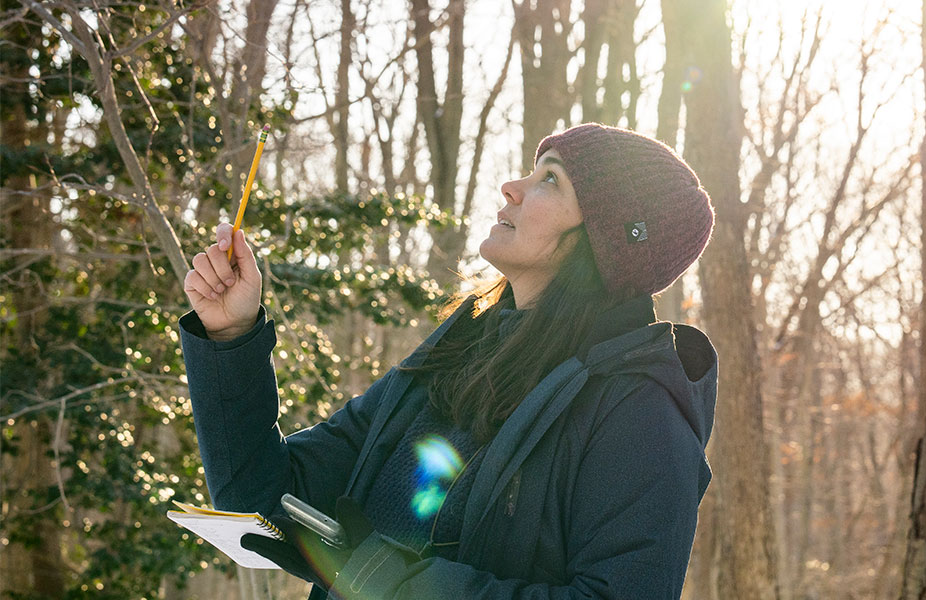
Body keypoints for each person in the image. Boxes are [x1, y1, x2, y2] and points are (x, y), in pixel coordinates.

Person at [178, 123, 718, 599]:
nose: (513, 187)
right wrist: (230, 338)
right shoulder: (453, 357)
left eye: (551, 179)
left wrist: (384, 580)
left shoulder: (640, 408)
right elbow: (258, 498)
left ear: (606, 239)